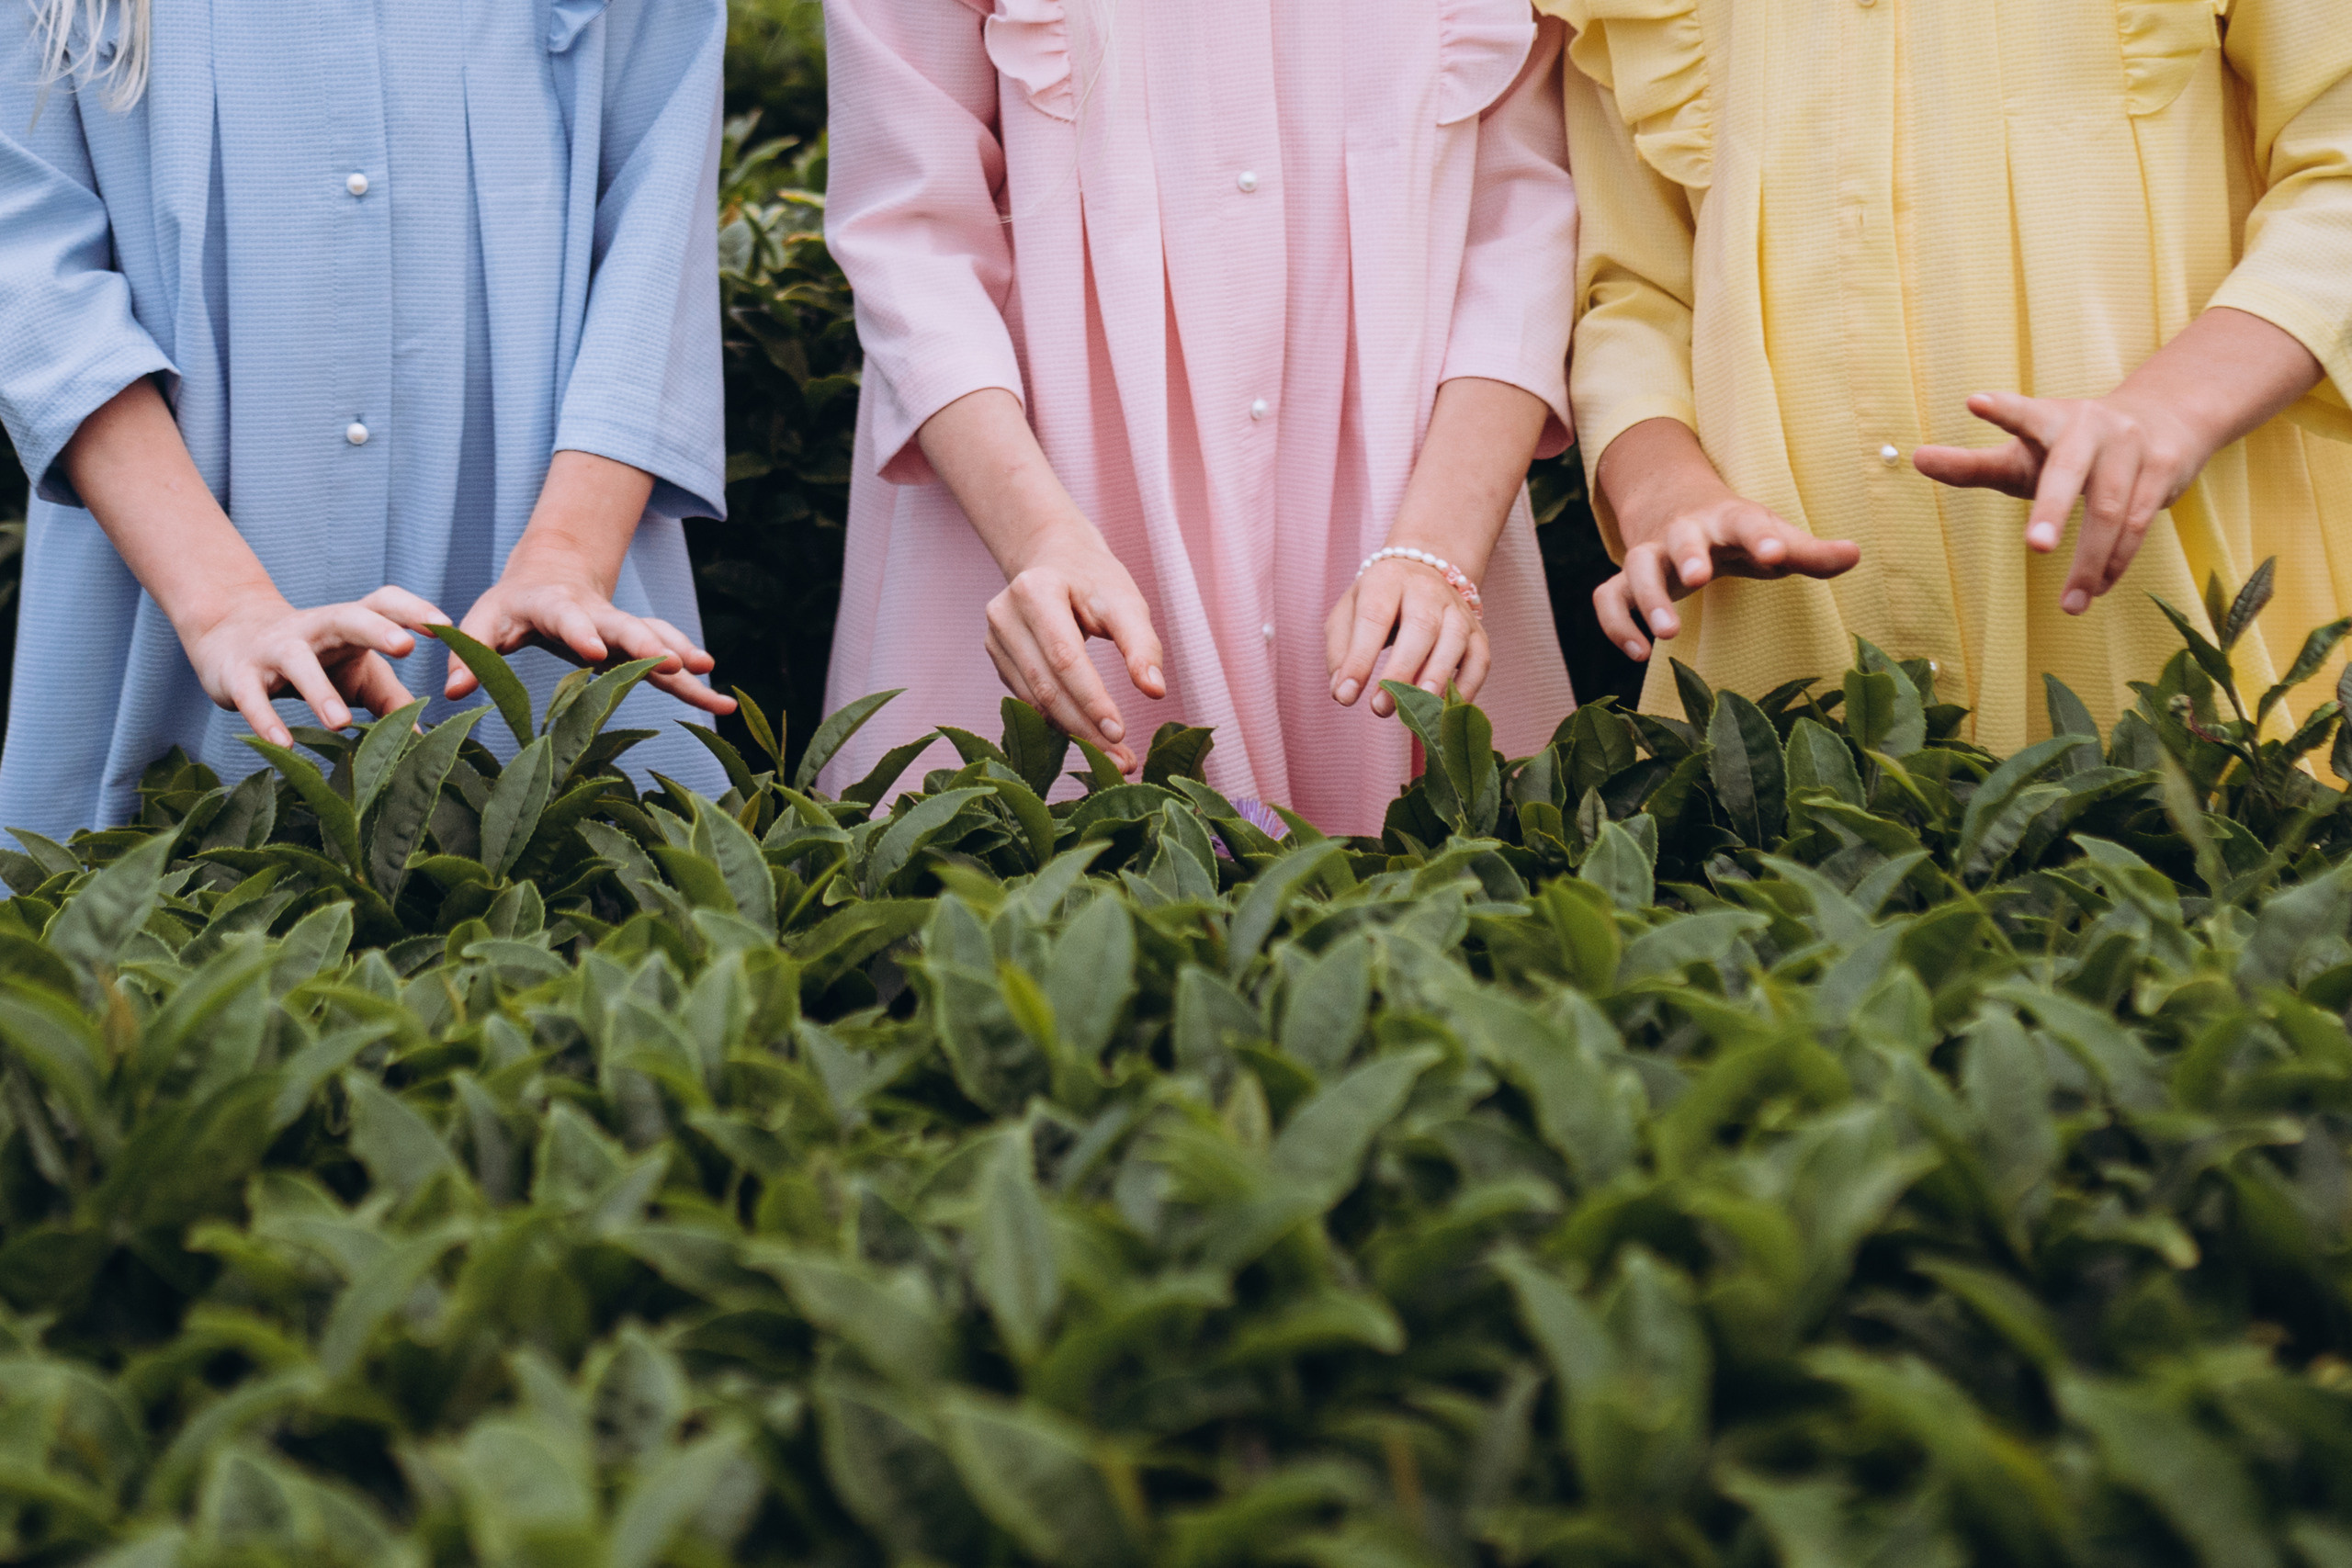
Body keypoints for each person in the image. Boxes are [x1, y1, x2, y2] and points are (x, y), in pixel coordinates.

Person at [819, 0, 1580, 834]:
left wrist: (1438, 550)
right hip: (1037, 525)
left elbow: (1526, 216)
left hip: (1416, 530)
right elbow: (910, 233)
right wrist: (1037, 536)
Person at [0, 0, 736, 844]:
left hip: (558, 583)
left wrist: (568, 556)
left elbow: (656, 214)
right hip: (159, 580)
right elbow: (34, 279)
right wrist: (222, 607)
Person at [1555, 0, 2352, 751]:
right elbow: (1633, 287)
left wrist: (2171, 411)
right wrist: (1664, 491)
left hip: (2177, 659)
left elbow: (2336, 172)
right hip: (1782, 699)